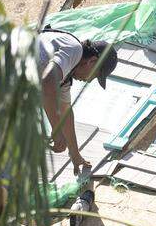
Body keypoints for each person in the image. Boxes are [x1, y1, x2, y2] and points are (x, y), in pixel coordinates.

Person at [36, 29, 118, 175]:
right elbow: (47, 87)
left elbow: (65, 110)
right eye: (94, 76)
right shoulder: (74, 50)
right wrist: (56, 131)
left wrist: (74, 153)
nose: (88, 80)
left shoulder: (66, 75)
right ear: (91, 61)